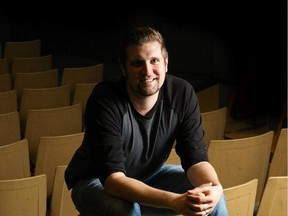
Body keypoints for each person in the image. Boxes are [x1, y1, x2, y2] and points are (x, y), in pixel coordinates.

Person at [65, 26, 228, 216]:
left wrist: (214, 187)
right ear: (123, 68)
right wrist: (174, 201)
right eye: (137, 63)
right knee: (126, 208)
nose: (147, 71)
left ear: (166, 63)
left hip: (150, 175)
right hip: (95, 181)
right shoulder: (105, 100)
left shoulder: (182, 93)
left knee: (211, 199)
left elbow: (195, 159)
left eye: (154, 61)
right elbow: (113, 180)